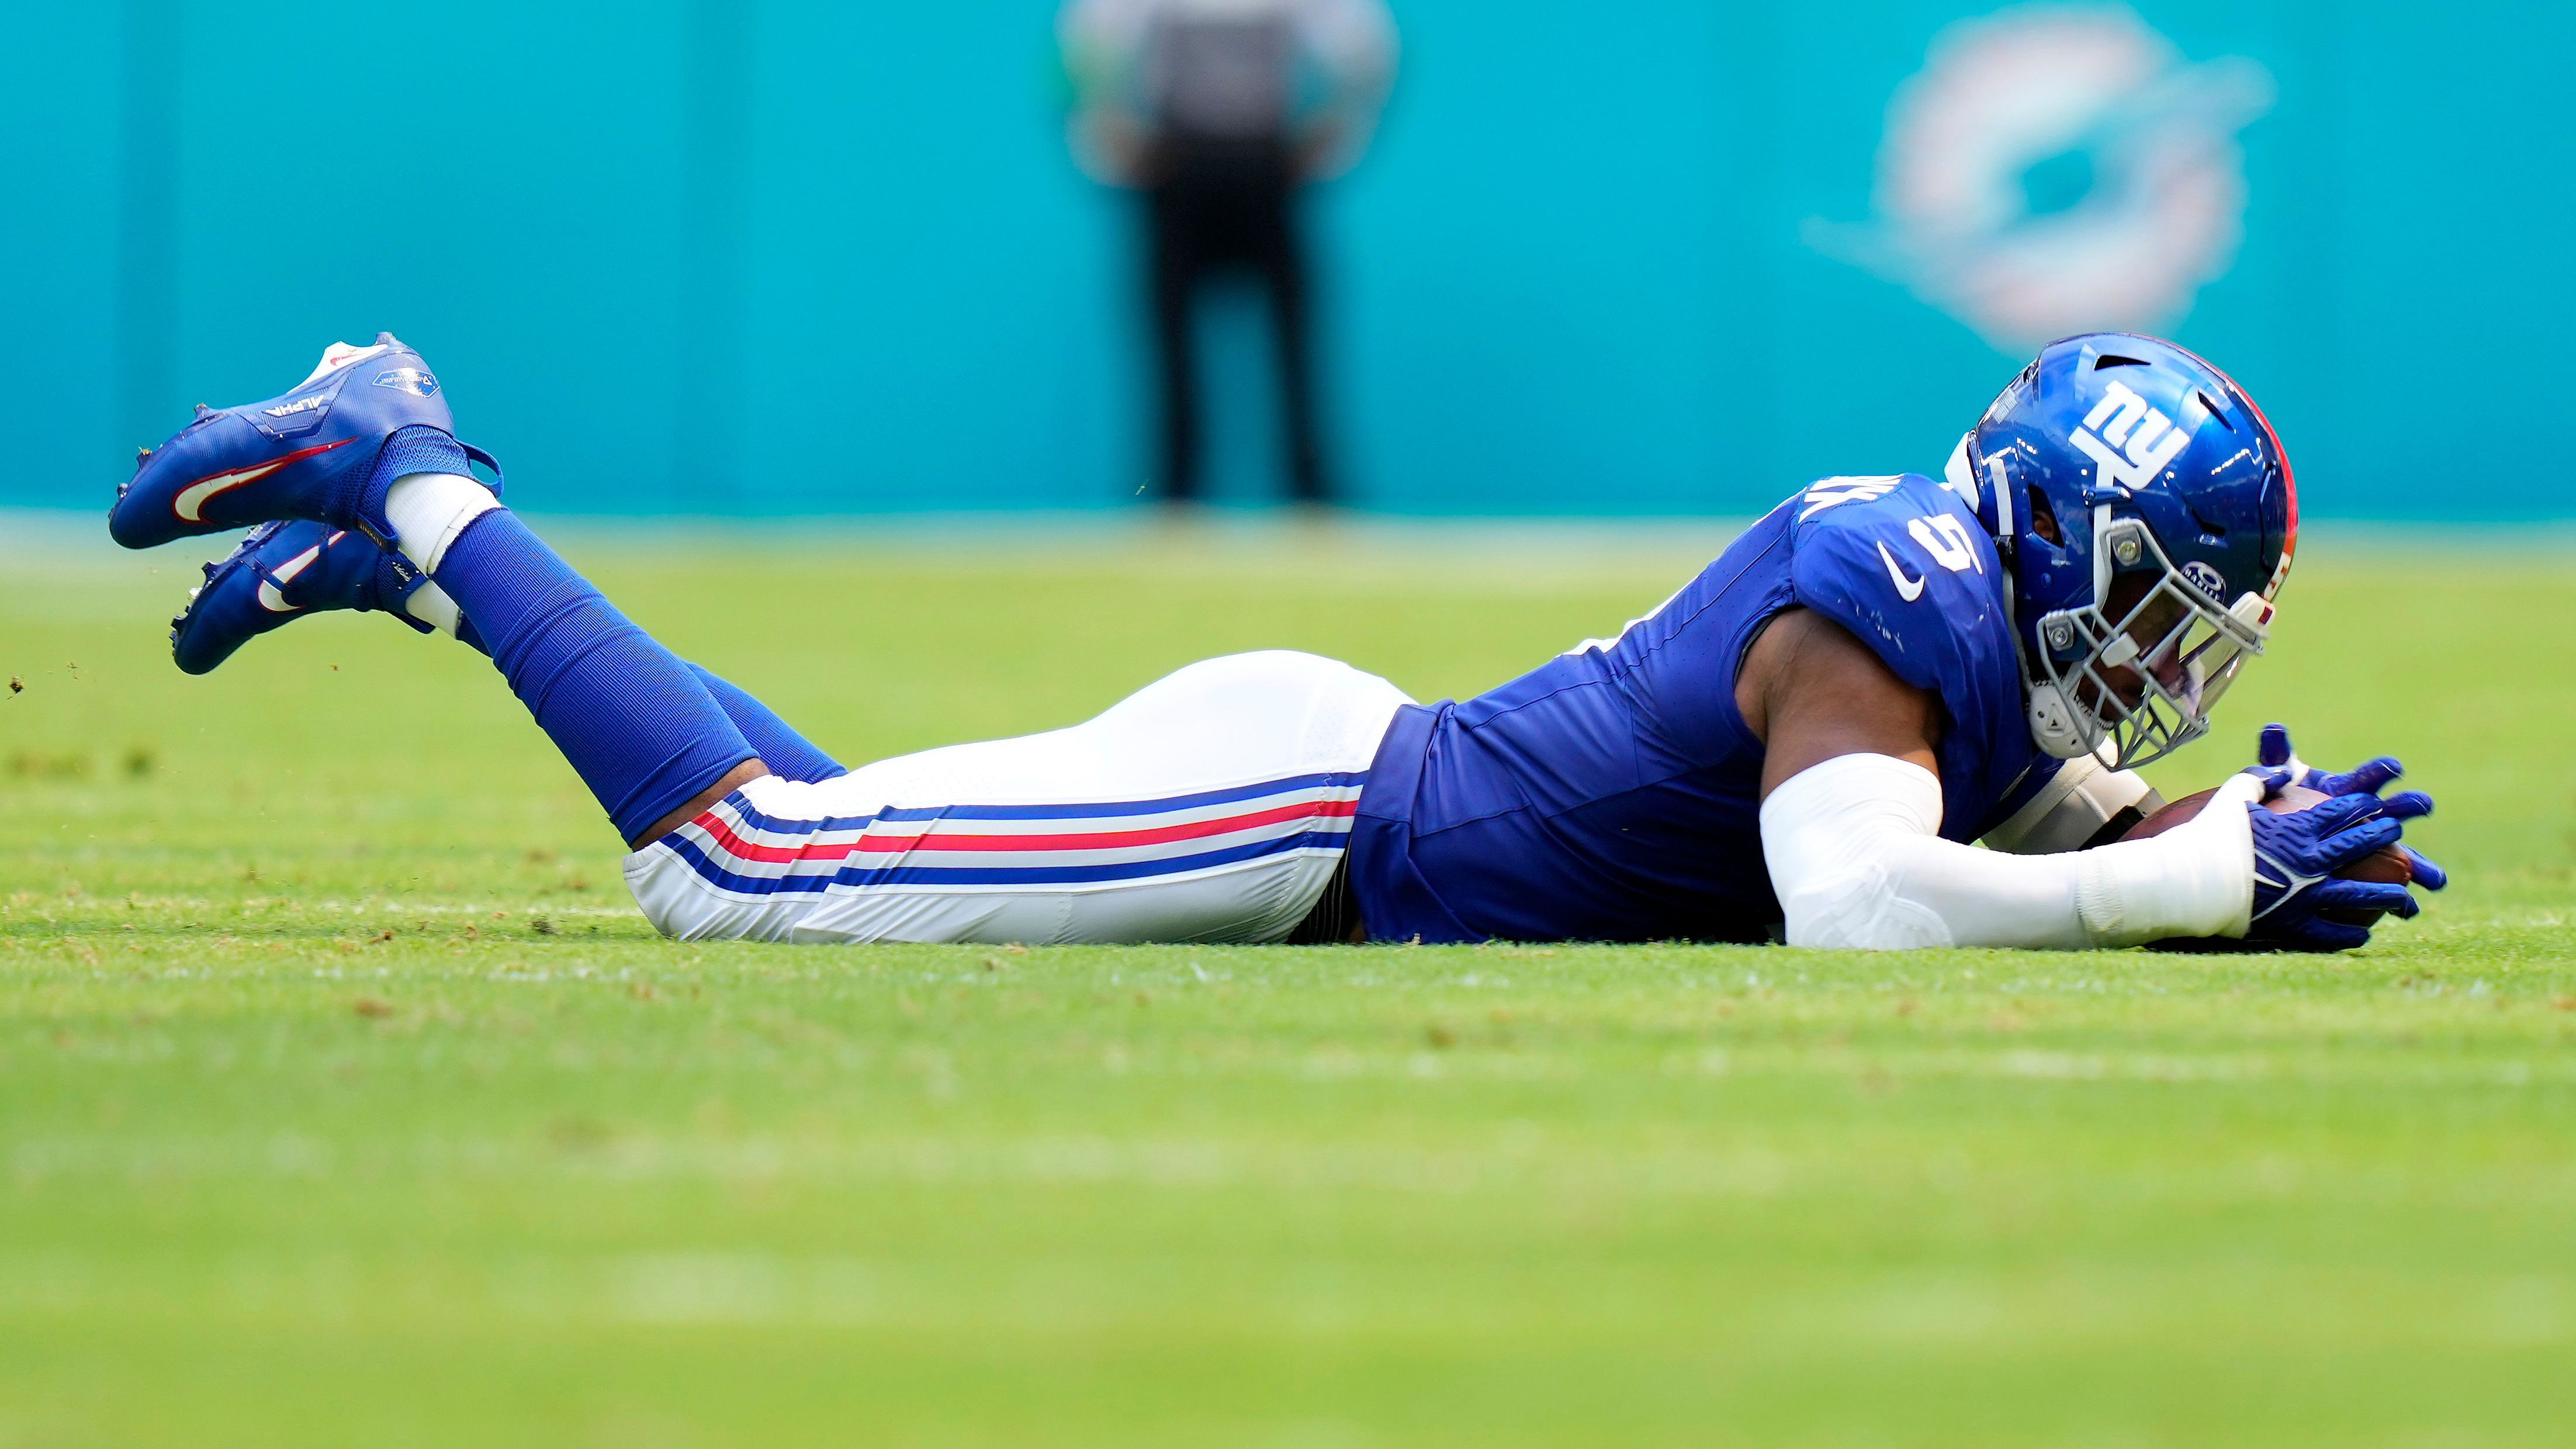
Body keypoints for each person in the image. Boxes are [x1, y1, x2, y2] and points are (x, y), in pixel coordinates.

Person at [111, 331, 2443, 950]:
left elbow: (2055, 824)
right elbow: (1861, 898)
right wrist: (2172, 877)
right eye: (2151, 611)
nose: (2153, 672)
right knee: (743, 867)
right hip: (1308, 811)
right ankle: (411, 462)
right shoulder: (1893, 589)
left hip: (1311, 793)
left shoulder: (1947, 627)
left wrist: (2236, 847)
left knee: (824, 852)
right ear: (2047, 520)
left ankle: (437, 576)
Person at [1059, 0, 1397, 509]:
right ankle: (1173, 498)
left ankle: (1313, 498)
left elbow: (1368, 58)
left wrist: (1335, 136)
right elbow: (1084, 55)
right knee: (1169, 343)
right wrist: (1108, 137)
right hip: (1180, 170)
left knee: (1296, 343)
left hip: (1265, 169)